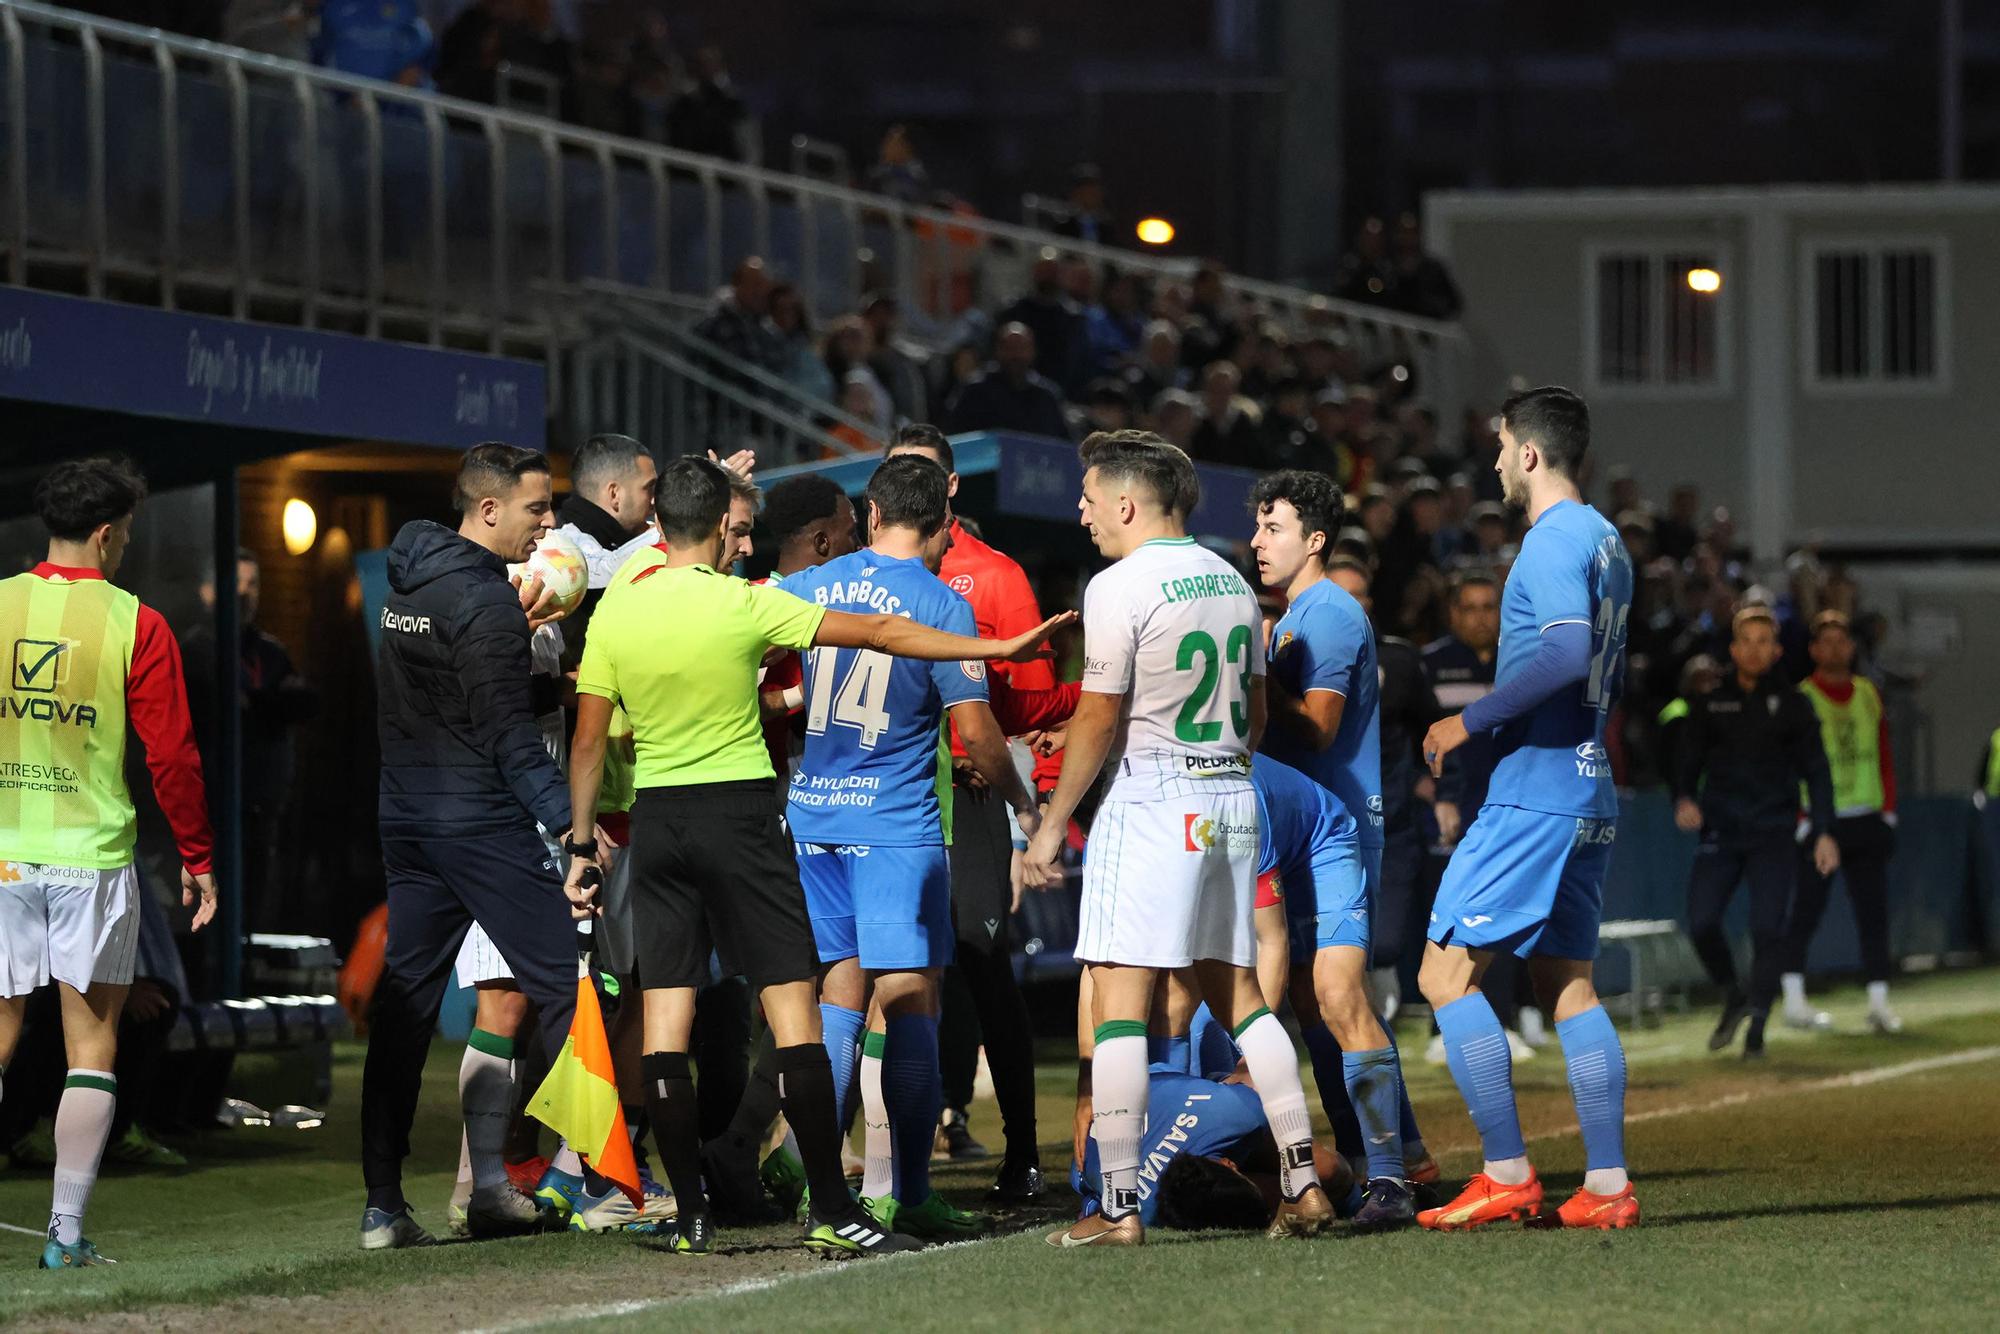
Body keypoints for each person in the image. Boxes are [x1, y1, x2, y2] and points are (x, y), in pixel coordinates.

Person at [562, 456, 1068, 1257]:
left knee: (767, 1008)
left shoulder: (776, 588)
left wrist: (584, 839)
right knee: (893, 999)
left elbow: (624, 724)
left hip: (769, 818)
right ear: (941, 523)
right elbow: (923, 677)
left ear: (870, 515)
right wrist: (1021, 772)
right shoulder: (915, 602)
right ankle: (886, 1194)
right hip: (864, 821)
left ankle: (737, 1196)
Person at [1024, 430, 1330, 1248]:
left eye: (1090, 499)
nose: (1082, 514)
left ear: (1127, 503)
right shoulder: (1233, 579)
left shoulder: (1120, 585)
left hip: (1154, 803)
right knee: (1239, 997)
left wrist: (1053, 826)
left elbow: (1096, 716)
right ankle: (1302, 1181)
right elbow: (1259, 717)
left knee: (1121, 1002)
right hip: (1231, 796)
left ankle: (1118, 1207)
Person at [784, 455, 1039, 1240]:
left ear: (868, 514)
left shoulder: (811, 584)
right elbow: (974, 731)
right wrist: (1024, 803)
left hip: (815, 821)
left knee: (835, 1005)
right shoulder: (940, 604)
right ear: (940, 530)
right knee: (912, 999)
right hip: (894, 827)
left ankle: (820, 1190)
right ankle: (912, 1190)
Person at [1416, 386, 1639, 1230]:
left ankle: (1507, 1170)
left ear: (1533, 454)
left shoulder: (1551, 539)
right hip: (1590, 783)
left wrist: (1467, 720)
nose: (1498, 460)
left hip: (1535, 790)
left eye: (1504, 445)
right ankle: (1608, 1188)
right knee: (1568, 987)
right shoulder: (1609, 540)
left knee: (1443, 975)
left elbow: (1564, 651)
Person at [360, 444, 594, 1251]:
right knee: (565, 982)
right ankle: (585, 1174)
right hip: (482, 825)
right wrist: (576, 831)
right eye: (539, 508)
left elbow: (445, 699)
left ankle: (386, 1206)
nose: (551, 523)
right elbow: (509, 742)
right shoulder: (486, 600)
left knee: (405, 1009)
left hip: (409, 819)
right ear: (489, 510)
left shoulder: (412, 581)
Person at [0, 456, 218, 1270]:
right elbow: (174, 757)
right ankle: (63, 1235)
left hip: (3, 856)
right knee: (90, 1048)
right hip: (90, 860)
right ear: (104, 532)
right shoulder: (137, 622)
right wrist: (197, 857)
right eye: (123, 533)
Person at [884, 425, 1075, 1202]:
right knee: (872, 976)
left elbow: (1032, 699)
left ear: (953, 486)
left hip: (964, 794)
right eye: (900, 475)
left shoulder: (992, 578)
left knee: (981, 963)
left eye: (924, 475)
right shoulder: (863, 573)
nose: (914, 489)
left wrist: (1035, 798)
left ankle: (1022, 1153)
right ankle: (876, 1160)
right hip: (884, 793)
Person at [1247, 470, 1423, 1229]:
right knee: (1309, 1003)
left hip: (1336, 831)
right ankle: (1390, 1155)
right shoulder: (1293, 617)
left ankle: (1391, 1173)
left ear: (1316, 540)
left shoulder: (1331, 615)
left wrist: (1254, 679)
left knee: (1337, 996)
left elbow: (1317, 726)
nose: (1258, 541)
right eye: (1257, 526)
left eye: (1274, 527)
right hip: (1294, 829)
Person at [1673, 606, 1839, 1060]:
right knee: (1702, 922)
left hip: (1773, 834)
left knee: (1769, 929)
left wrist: (1823, 831)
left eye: (1764, 641)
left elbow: (1818, 773)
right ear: (1732, 648)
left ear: (1778, 649)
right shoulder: (1710, 702)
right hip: (1722, 832)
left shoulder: (1794, 705)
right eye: (1746, 640)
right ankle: (1733, 992)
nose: (1754, 650)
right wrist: (1684, 798)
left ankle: (1759, 1027)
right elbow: (1688, 762)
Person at [182, 547, 318, 935]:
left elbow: (305, 701)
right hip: (213, 813)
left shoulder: (270, 651)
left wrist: (255, 704)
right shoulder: (196, 650)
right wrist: (268, 704)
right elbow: (222, 708)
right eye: (235, 583)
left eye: (252, 584)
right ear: (207, 591)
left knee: (257, 914)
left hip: (263, 809)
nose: (244, 593)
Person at [1781, 610, 1902, 1034]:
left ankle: (1879, 1003)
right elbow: (1790, 764)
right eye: (1826, 641)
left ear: (1852, 647)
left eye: (1841, 640)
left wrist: (1888, 812)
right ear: (1813, 649)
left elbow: (1884, 754)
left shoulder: (1869, 693)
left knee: (1874, 914)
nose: (1835, 648)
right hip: (1820, 824)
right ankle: (1794, 1001)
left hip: (1866, 819)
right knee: (1806, 911)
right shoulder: (1802, 698)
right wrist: (1803, 821)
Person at [943, 323, 1071, 441]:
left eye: (1022, 348)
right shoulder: (974, 390)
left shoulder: (1046, 395)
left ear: (1033, 351)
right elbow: (955, 435)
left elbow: (1063, 441)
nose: (1016, 355)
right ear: (997, 350)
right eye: (1009, 348)